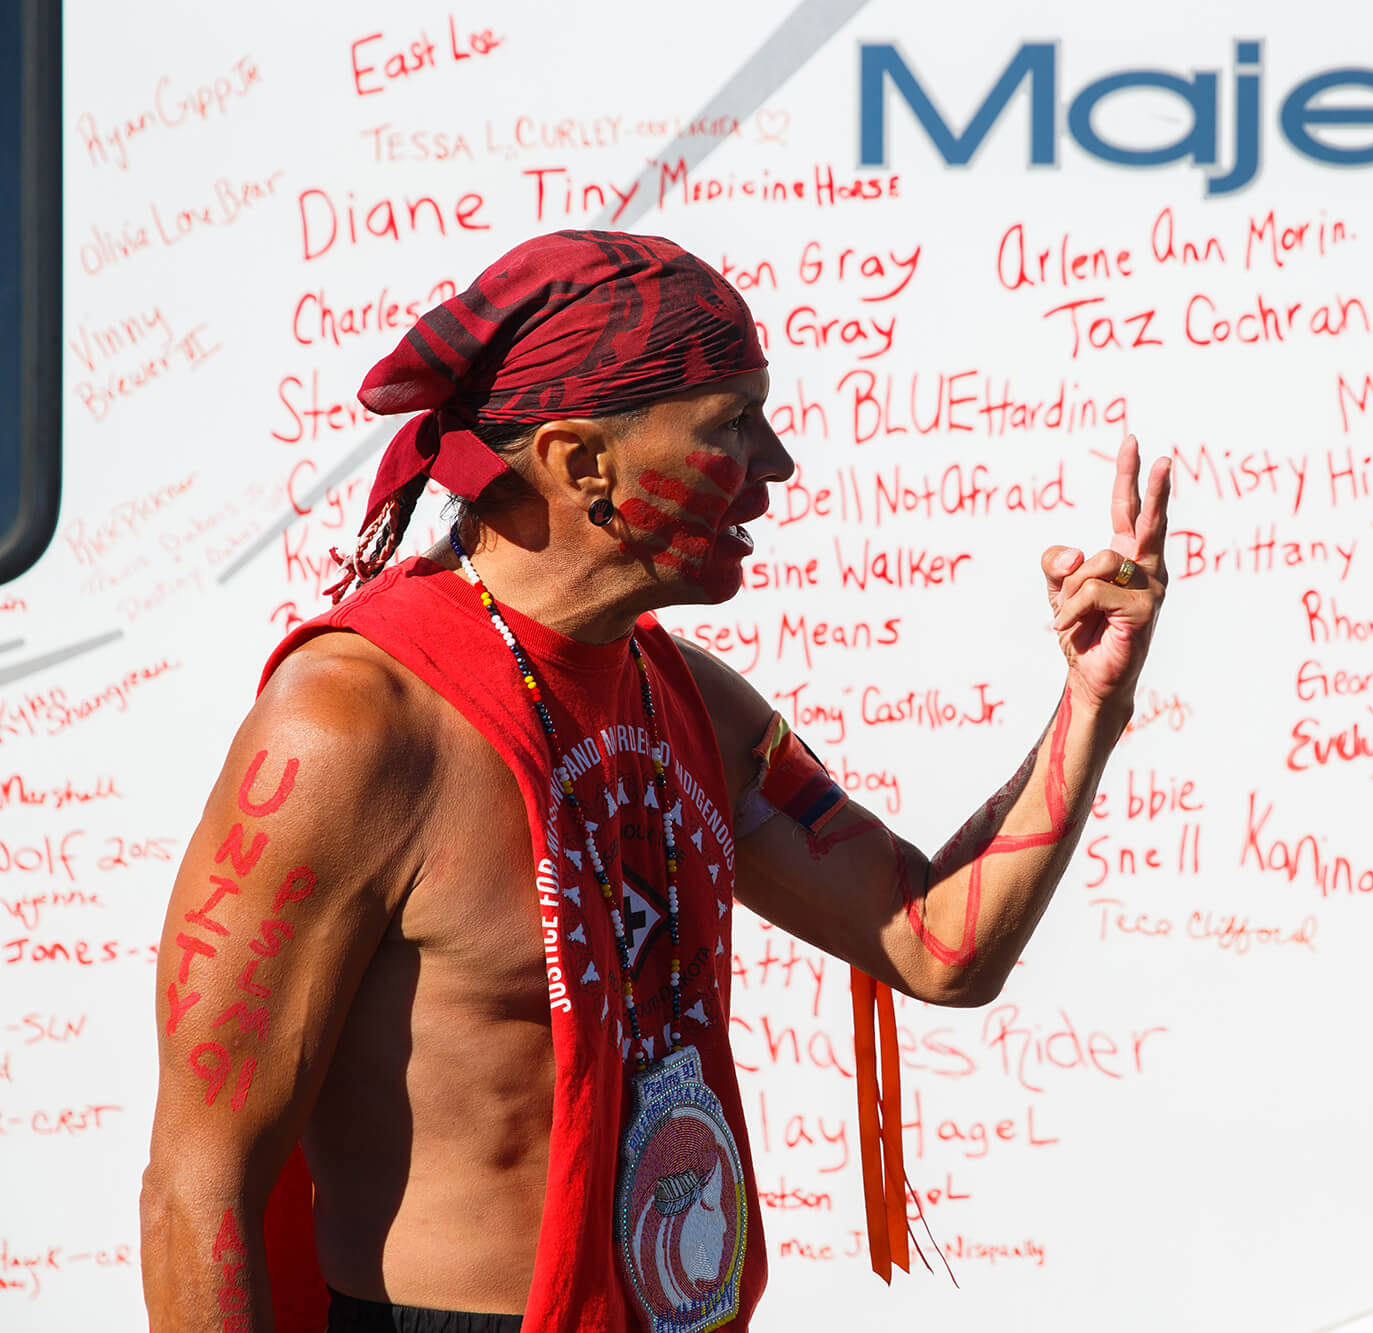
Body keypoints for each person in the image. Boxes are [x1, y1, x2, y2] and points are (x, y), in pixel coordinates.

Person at [139, 229, 1171, 1333]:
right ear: (582, 460)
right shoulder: (354, 724)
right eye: (732, 423)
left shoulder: (693, 704)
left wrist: (1092, 702)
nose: (774, 465)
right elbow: (198, 1186)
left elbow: (935, 943)